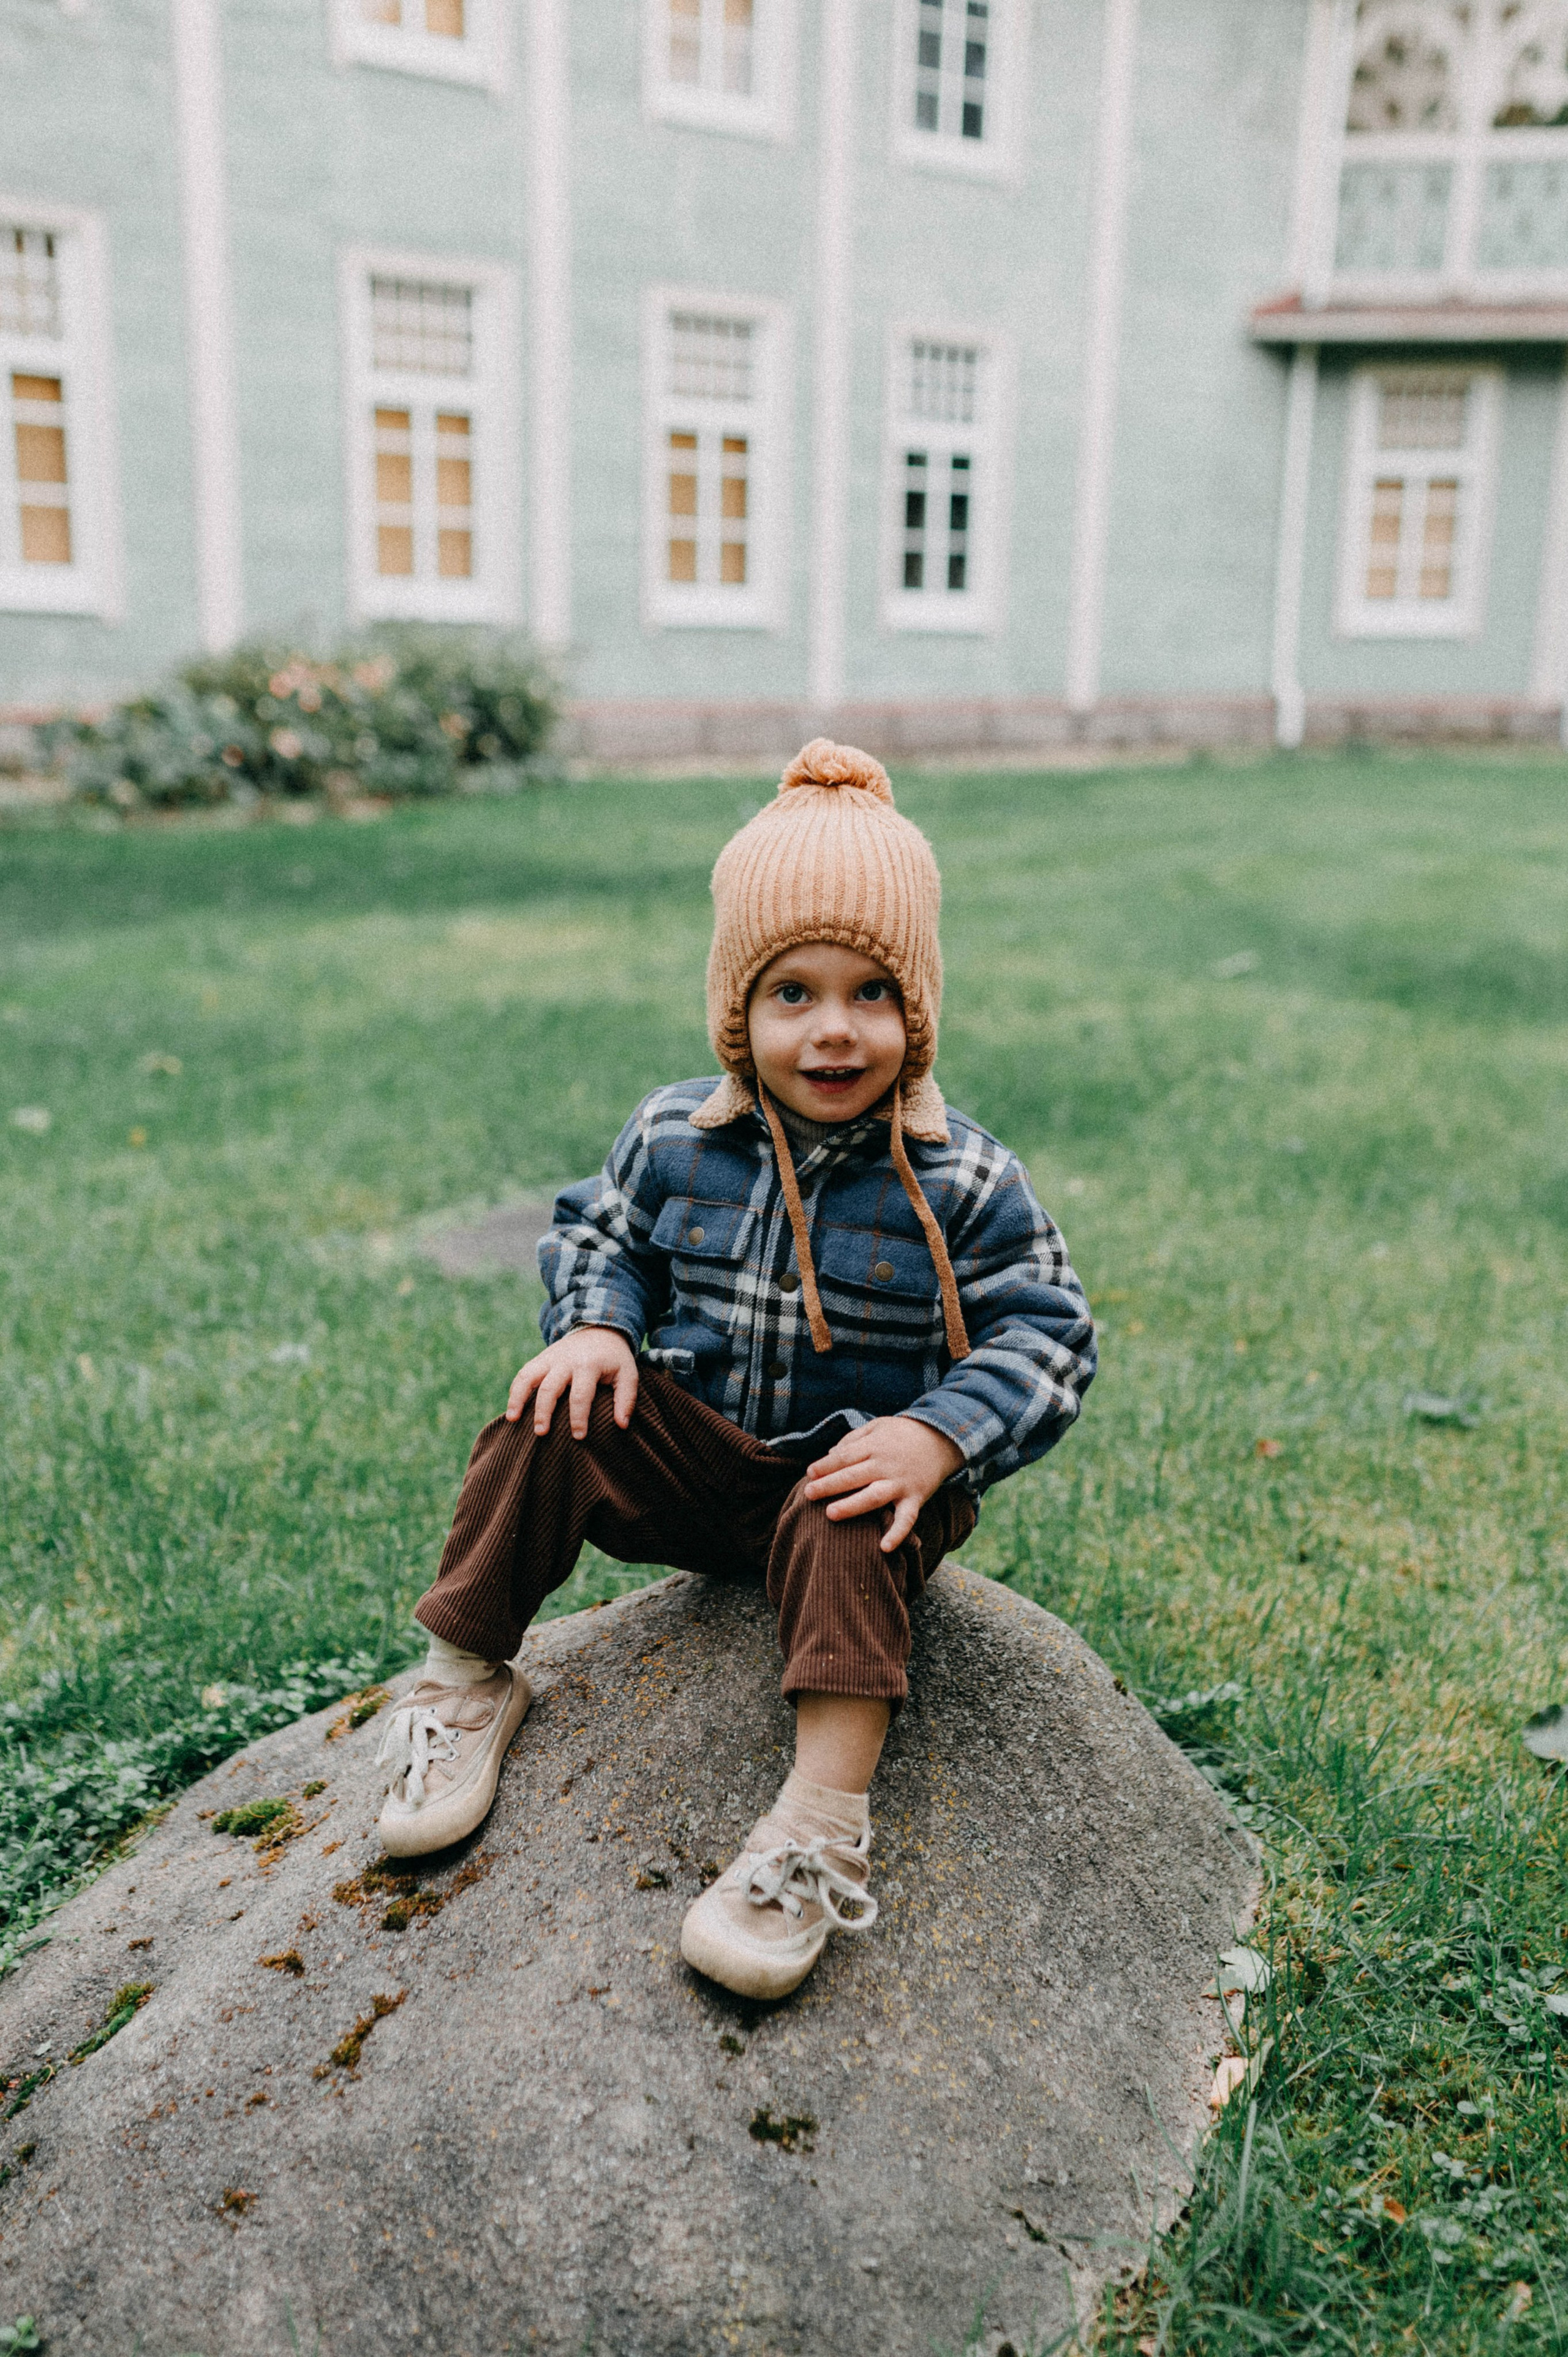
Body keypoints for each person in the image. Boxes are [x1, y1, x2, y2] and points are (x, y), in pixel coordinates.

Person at [373, 739, 1096, 2000]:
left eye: (871, 992)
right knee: (548, 1413)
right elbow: (598, 1231)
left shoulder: (964, 1176)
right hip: (702, 1465)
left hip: (853, 1483)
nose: (832, 1028)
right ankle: (468, 1681)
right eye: (792, 993)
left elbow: (1052, 1331)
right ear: (736, 1008)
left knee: (845, 1508)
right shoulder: (672, 1132)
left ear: (916, 1009)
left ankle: (816, 1824)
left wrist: (936, 1438)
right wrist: (594, 1324)